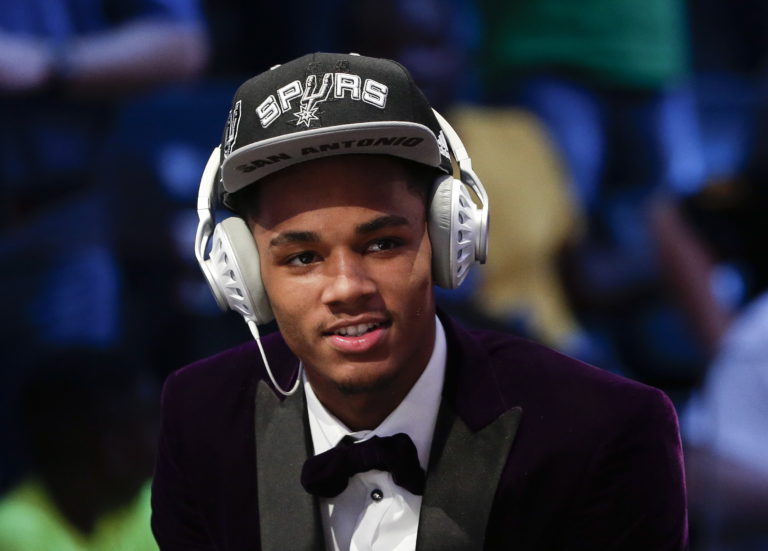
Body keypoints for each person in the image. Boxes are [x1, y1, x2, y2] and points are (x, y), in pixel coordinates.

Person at [150, 52, 688, 550]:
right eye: (302, 258)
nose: (347, 286)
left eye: (382, 244)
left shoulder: (605, 433)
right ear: (242, 273)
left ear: (448, 238)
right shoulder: (201, 419)